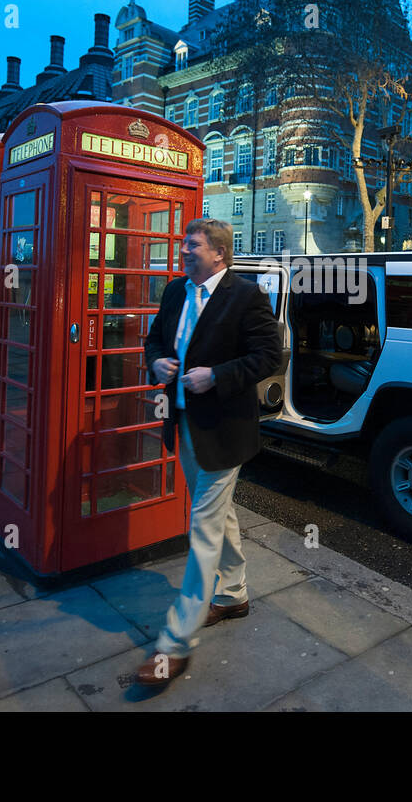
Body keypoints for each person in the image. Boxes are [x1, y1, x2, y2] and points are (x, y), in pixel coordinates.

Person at [135, 218, 281, 688]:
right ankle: (234, 593)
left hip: (224, 429)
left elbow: (269, 356)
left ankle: (175, 643)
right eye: (182, 244)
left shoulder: (245, 296)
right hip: (183, 423)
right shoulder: (177, 292)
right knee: (221, 515)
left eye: (191, 245)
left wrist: (216, 374)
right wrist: (155, 359)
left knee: (202, 528)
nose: (182, 251)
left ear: (218, 253)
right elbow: (156, 338)